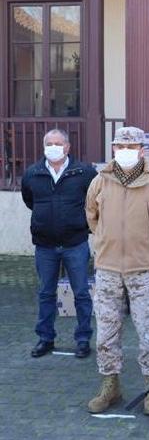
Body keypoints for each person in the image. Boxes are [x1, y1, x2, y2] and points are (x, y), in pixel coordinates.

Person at [85, 126, 149, 415]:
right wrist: (106, 242)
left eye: (131, 146)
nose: (125, 151)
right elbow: (92, 216)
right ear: (113, 149)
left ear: (142, 150)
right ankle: (110, 385)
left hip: (145, 270)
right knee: (106, 332)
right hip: (108, 269)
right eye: (120, 147)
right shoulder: (99, 182)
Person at [21, 129, 97, 358]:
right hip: (45, 246)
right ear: (44, 147)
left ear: (67, 147)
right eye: (49, 143)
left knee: (81, 293)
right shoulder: (32, 174)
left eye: (58, 143)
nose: (53, 147)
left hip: (75, 243)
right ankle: (45, 338)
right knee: (46, 293)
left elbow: (94, 200)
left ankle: (83, 339)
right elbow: (30, 201)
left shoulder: (84, 173)